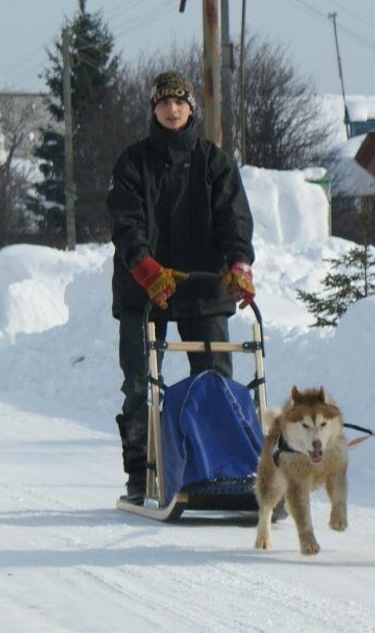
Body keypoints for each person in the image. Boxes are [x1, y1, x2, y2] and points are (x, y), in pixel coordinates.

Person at [107, 71, 255, 505]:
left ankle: (217, 467)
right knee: (139, 381)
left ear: (192, 108)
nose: (172, 109)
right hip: (143, 287)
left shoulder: (216, 162)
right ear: (154, 109)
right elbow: (125, 222)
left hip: (203, 286)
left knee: (214, 376)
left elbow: (234, 220)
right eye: (164, 103)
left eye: (180, 102)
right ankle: (140, 472)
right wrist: (146, 267)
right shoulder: (132, 163)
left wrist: (239, 264)